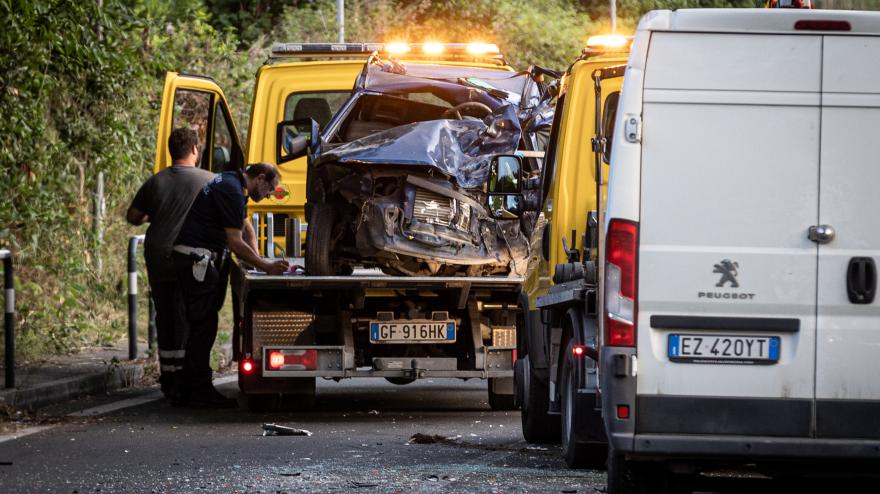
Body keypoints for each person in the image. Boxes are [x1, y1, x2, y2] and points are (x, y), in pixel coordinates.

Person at [172, 162, 289, 407]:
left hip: (199, 258)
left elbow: (246, 227)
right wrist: (266, 266)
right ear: (260, 178)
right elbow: (235, 242)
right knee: (203, 326)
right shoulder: (232, 191)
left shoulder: (231, 181)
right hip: (197, 261)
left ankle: (188, 389)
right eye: (270, 189)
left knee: (203, 324)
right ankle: (197, 392)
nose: (268, 195)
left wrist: (258, 261)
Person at [126, 128, 214, 400]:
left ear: (170, 151)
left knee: (166, 316)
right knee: (193, 317)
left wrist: (157, 213)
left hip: (159, 256)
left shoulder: (156, 182)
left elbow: (133, 216)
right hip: (192, 259)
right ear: (195, 150)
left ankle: (170, 378)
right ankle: (189, 377)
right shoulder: (209, 180)